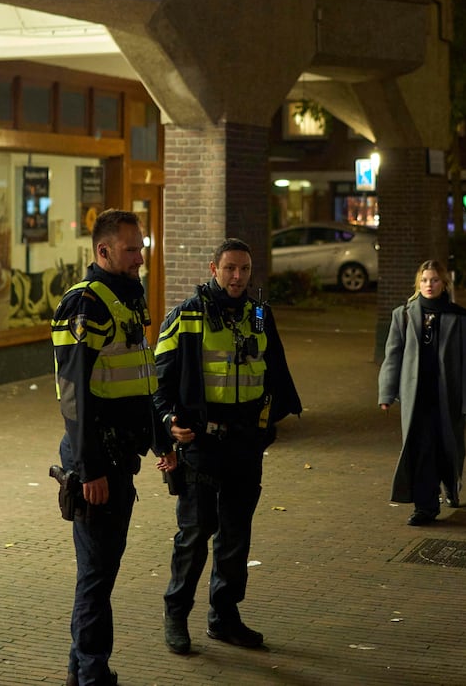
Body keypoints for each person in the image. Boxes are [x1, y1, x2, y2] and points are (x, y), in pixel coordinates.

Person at [154, 238, 301, 655]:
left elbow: (275, 376)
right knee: (195, 535)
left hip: (244, 447)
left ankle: (224, 617)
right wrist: (169, 425)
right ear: (213, 268)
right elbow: (158, 382)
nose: (238, 277)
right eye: (230, 268)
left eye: (244, 270)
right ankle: (176, 615)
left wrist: (265, 426)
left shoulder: (259, 315)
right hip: (201, 445)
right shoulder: (187, 316)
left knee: (236, 537)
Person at [51, 208, 170, 686]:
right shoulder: (86, 305)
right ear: (103, 251)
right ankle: (92, 673)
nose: (140, 257)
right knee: (97, 575)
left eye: (141, 247)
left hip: (121, 456)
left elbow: (141, 378)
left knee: (101, 571)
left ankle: (82, 668)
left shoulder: (127, 298)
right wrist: (91, 467)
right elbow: (73, 394)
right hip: (98, 457)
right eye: (131, 249)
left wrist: (161, 440)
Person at [377, 260, 466, 525]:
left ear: (444, 283)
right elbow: (393, 356)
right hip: (416, 399)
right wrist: (386, 393)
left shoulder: (461, 318)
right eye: (424, 280)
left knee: (449, 449)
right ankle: (425, 507)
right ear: (417, 284)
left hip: (449, 399)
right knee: (422, 449)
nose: (429, 285)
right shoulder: (403, 315)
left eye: (434, 280)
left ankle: (451, 485)